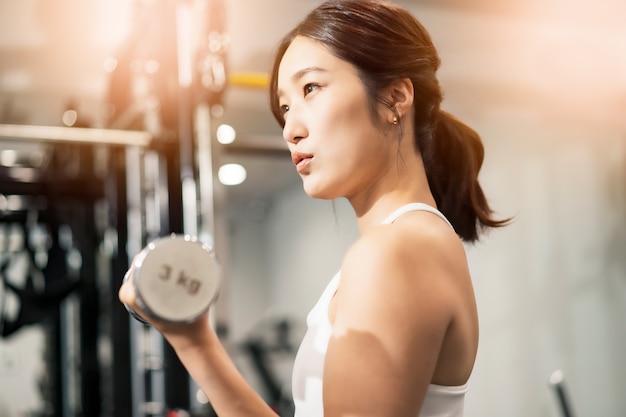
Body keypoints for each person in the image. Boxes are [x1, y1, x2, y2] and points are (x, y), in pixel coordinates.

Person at [119, 0, 510, 416]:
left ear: (396, 97)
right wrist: (192, 340)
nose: (290, 128)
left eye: (311, 89)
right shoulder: (404, 245)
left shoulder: (394, 254)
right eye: (285, 107)